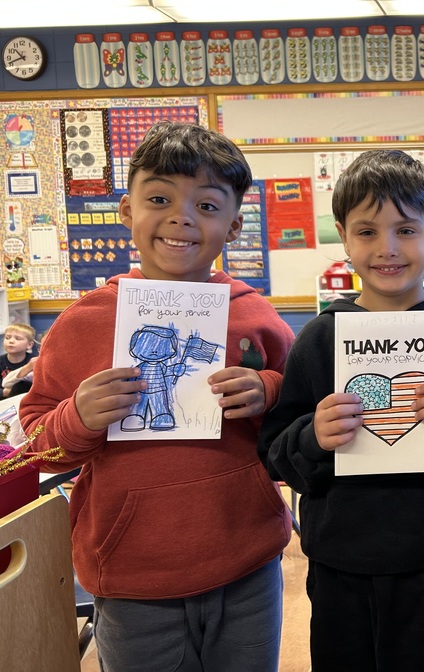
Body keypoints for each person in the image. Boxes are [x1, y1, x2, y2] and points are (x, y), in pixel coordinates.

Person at [19, 122, 295, 672]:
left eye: (207, 205)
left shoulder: (256, 317)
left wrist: (270, 391)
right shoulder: (82, 323)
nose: (182, 217)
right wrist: (78, 418)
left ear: (234, 225)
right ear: (127, 211)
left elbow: (303, 416)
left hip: (247, 561)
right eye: (160, 198)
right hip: (130, 574)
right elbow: (35, 442)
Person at [258, 148, 424, 672]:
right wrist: (314, 436)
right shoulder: (320, 339)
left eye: (406, 230)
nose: (387, 248)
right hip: (336, 568)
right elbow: (276, 452)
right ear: (343, 236)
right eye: (368, 231)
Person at [2, 328, 44, 398]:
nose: (11, 341)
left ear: (30, 345)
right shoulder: (33, 362)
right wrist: (4, 392)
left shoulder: (33, 360)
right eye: (7, 338)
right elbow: (5, 383)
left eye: (18, 338)